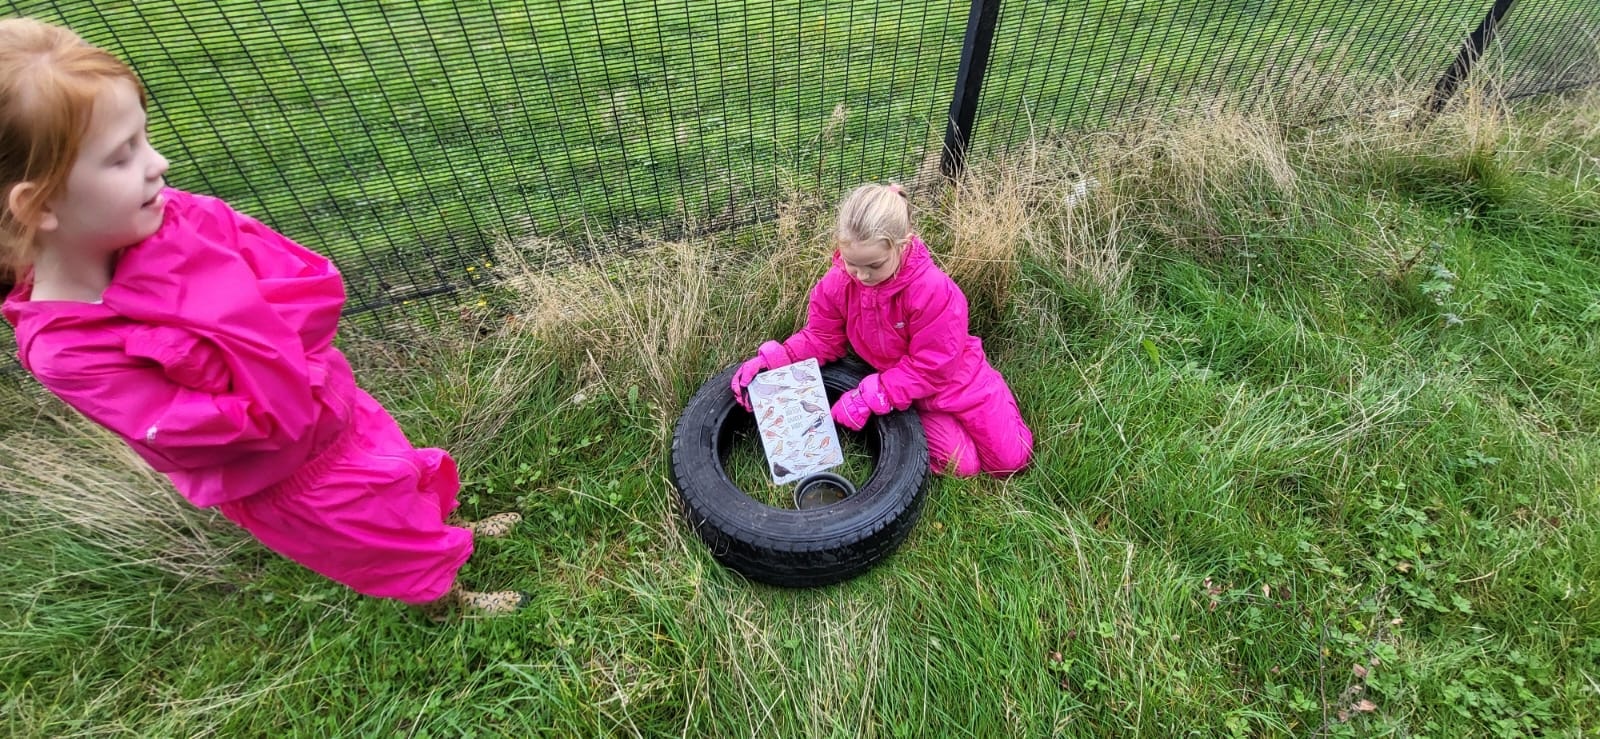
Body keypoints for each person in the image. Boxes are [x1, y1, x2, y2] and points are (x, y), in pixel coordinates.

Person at [0, 17, 522, 620]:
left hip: (338, 409)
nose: (158, 163)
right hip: (290, 479)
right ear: (38, 204)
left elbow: (310, 286)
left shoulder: (179, 217)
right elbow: (227, 430)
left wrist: (262, 361)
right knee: (378, 539)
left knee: (397, 475)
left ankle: (449, 530)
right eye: (122, 157)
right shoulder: (69, 349)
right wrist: (268, 348)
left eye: (144, 138)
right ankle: (446, 600)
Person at [731, 182, 1033, 477]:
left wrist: (876, 394)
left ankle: (992, 399)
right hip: (910, 394)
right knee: (964, 465)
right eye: (852, 262)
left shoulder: (933, 292)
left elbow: (933, 366)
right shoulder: (838, 283)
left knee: (1012, 460)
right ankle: (919, 424)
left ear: (903, 245)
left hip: (959, 381)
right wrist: (777, 359)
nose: (862, 275)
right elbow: (822, 337)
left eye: (874, 265)